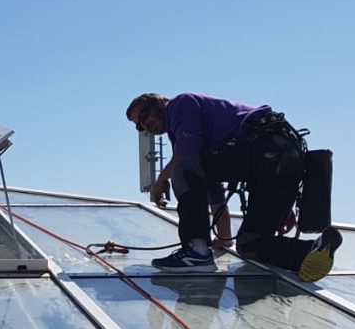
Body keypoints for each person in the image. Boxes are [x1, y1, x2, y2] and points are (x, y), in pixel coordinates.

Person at [126, 92, 342, 282]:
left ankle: (195, 251)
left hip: (266, 144)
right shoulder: (198, 145)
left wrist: (160, 182)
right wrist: (224, 238)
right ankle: (311, 250)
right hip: (283, 160)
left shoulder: (180, 104)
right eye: (139, 126)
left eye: (144, 115)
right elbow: (211, 188)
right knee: (250, 244)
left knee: (181, 167)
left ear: (160, 101)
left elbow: (185, 158)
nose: (145, 126)